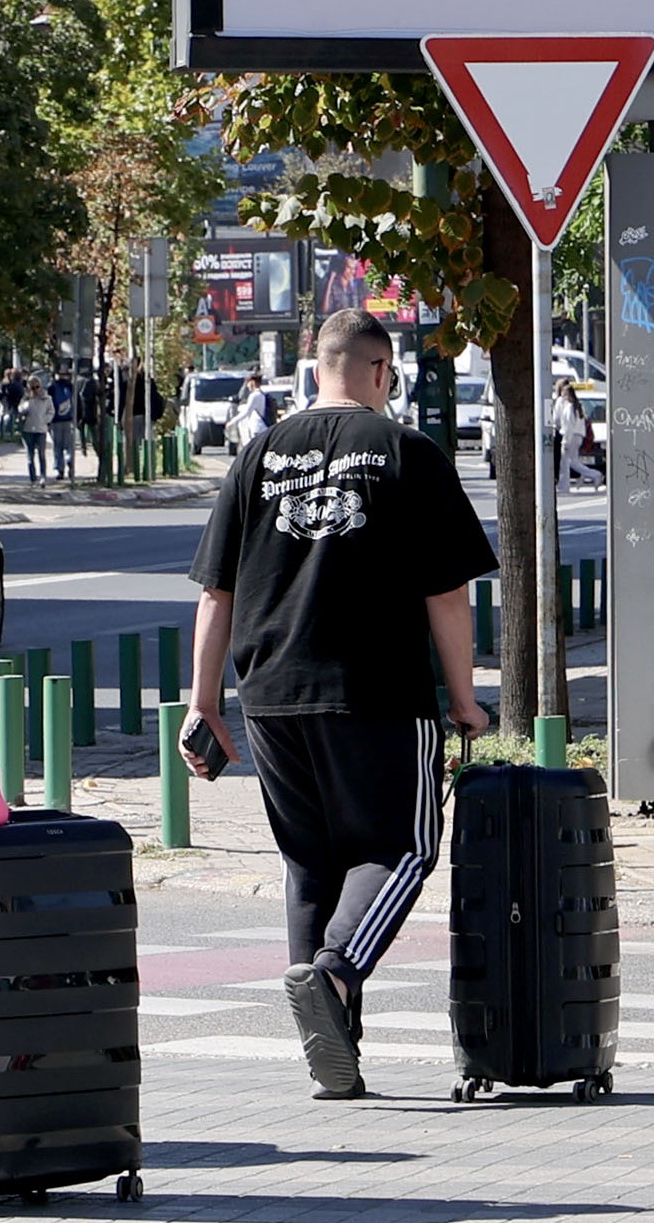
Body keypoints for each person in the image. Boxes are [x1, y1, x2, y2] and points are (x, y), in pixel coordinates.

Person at [182, 309, 495, 1103]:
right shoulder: (406, 450)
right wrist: (464, 700)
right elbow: (448, 592)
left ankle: (335, 1050)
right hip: (375, 689)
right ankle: (335, 971)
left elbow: (215, 592)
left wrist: (203, 704)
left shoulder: (256, 453)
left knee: (310, 861)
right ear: (383, 373)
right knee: (401, 848)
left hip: (270, 696)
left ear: (316, 366)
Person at [555, 380, 605, 493]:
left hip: (570, 437)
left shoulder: (569, 408)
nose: (562, 396)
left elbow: (568, 426)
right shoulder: (577, 407)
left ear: (567, 394)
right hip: (578, 437)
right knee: (572, 461)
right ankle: (594, 474)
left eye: (563, 393)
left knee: (565, 462)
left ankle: (564, 486)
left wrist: (565, 441)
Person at [19, 376, 52, 484]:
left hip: (41, 430)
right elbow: (20, 409)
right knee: (30, 455)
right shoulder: (26, 398)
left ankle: (43, 476)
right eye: (32, 387)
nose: (35, 390)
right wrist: (27, 402)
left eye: (37, 387)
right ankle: (33, 478)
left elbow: (51, 411)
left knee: (41, 454)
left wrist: (45, 420)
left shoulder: (46, 398)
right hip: (28, 429)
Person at [49, 372, 78, 482]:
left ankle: (60, 469)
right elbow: (77, 402)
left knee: (57, 446)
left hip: (55, 421)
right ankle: (69, 460)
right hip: (68, 420)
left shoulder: (52, 387)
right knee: (69, 445)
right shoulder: (70, 386)